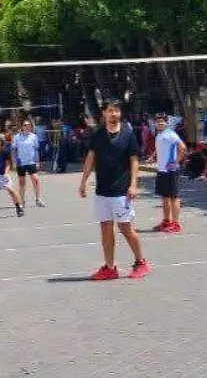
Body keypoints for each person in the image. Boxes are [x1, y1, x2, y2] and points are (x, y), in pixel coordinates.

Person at [78, 100, 150, 280]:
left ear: (120, 113)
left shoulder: (128, 134)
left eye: (116, 111)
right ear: (104, 113)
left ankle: (141, 262)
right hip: (102, 192)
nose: (113, 114)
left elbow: (134, 161)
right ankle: (110, 268)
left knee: (126, 228)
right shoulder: (97, 134)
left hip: (121, 192)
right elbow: (90, 158)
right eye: (110, 111)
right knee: (105, 230)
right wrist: (83, 181)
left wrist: (134, 184)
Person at [152, 113, 186, 233]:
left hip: (171, 170)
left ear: (166, 123)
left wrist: (175, 162)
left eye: (162, 121)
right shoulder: (159, 135)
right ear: (155, 123)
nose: (160, 123)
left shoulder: (170, 134)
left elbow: (182, 148)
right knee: (164, 197)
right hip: (161, 170)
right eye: (158, 121)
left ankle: (176, 224)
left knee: (173, 197)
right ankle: (167, 221)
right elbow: (161, 149)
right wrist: (153, 157)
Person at [12, 121, 46, 207]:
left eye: (29, 125)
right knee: (22, 182)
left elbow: (36, 150)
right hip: (21, 162)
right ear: (22, 127)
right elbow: (13, 150)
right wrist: (14, 162)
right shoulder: (17, 137)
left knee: (36, 180)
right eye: (25, 125)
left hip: (31, 162)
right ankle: (22, 200)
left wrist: (37, 161)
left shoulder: (33, 136)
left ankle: (38, 199)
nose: (27, 127)